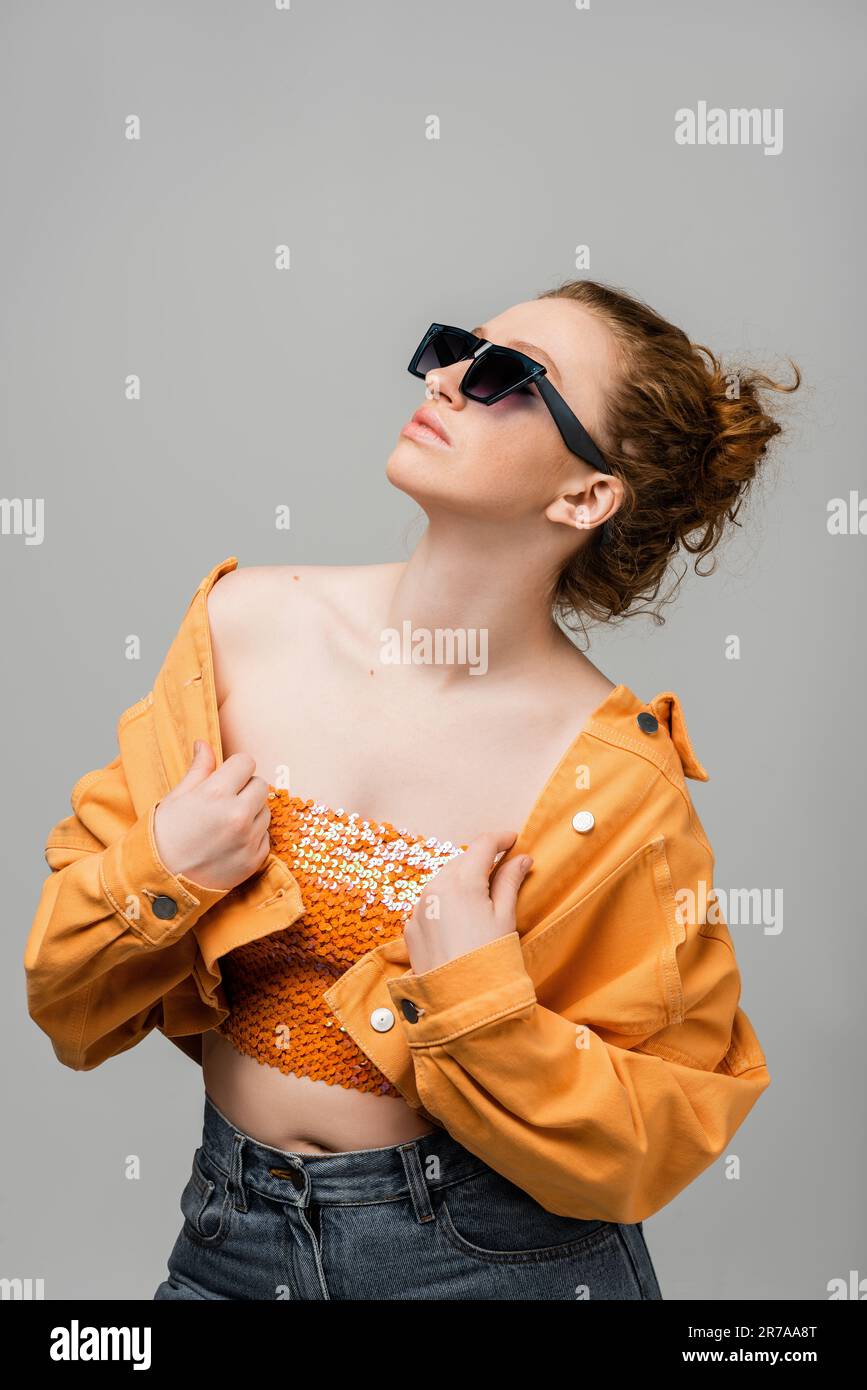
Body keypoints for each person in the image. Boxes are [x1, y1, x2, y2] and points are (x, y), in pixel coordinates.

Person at [25, 280, 799, 1300]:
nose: (443, 377)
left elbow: (648, 1145)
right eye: (455, 349)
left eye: (509, 377)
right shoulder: (241, 626)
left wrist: (479, 998)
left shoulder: (614, 780)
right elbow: (64, 1000)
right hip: (231, 1237)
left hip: (490, 1263)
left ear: (584, 496)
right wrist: (164, 870)